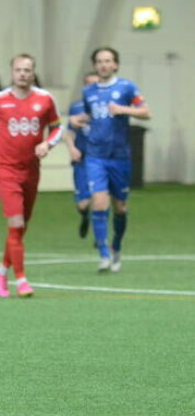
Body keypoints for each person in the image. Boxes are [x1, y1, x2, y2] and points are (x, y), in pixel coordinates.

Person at [0, 54, 62, 297]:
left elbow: (57, 128)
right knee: (16, 223)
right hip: (7, 170)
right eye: (18, 69)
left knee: (20, 228)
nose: (23, 74)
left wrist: (47, 145)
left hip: (31, 170)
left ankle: (1, 271)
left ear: (33, 72)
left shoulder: (45, 99)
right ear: (12, 72)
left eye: (27, 70)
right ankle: (21, 280)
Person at [70, 47, 150, 272]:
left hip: (119, 156)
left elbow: (146, 111)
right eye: (99, 61)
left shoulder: (127, 87)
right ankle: (103, 253)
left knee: (120, 207)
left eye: (108, 61)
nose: (103, 65)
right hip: (95, 156)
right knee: (99, 202)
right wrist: (79, 120)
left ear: (115, 64)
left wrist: (123, 109)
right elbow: (91, 115)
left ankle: (116, 246)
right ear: (95, 65)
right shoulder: (88, 91)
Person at [63, 73, 100, 239]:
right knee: (83, 203)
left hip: (100, 158)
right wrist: (72, 149)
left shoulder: (107, 107)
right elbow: (69, 133)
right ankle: (85, 215)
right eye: (89, 84)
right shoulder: (76, 107)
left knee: (100, 197)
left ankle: (101, 234)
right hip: (82, 159)